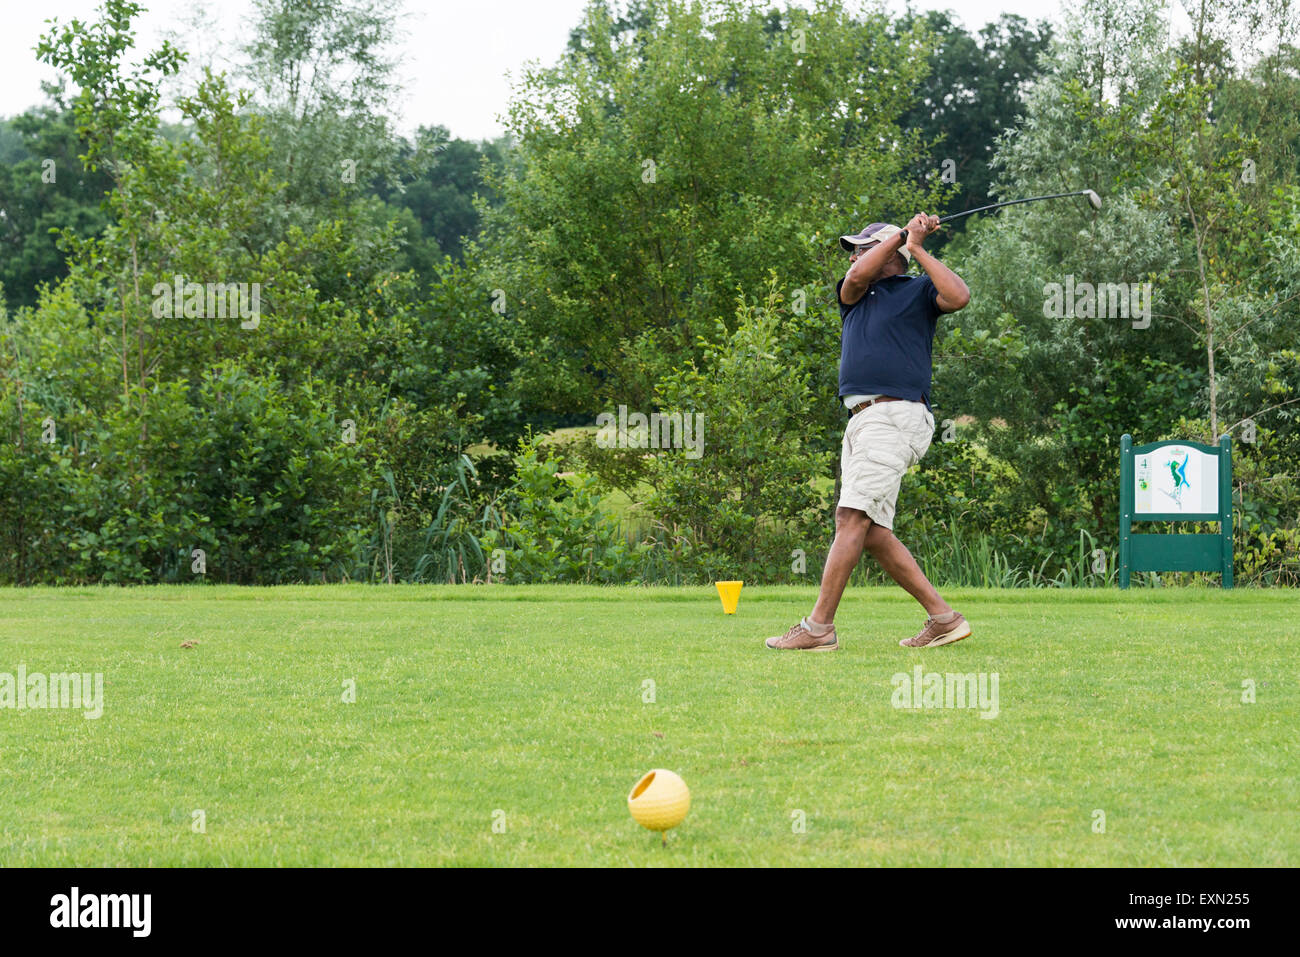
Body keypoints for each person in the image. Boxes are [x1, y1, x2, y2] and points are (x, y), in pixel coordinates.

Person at [765, 213, 972, 651]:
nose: (857, 255)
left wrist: (915, 246)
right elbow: (857, 273)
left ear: (893, 256)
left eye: (865, 246)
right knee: (871, 528)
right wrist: (902, 234)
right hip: (861, 420)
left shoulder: (917, 291)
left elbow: (959, 296)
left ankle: (819, 628)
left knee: (850, 518)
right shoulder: (855, 293)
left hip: (894, 415)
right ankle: (944, 618)